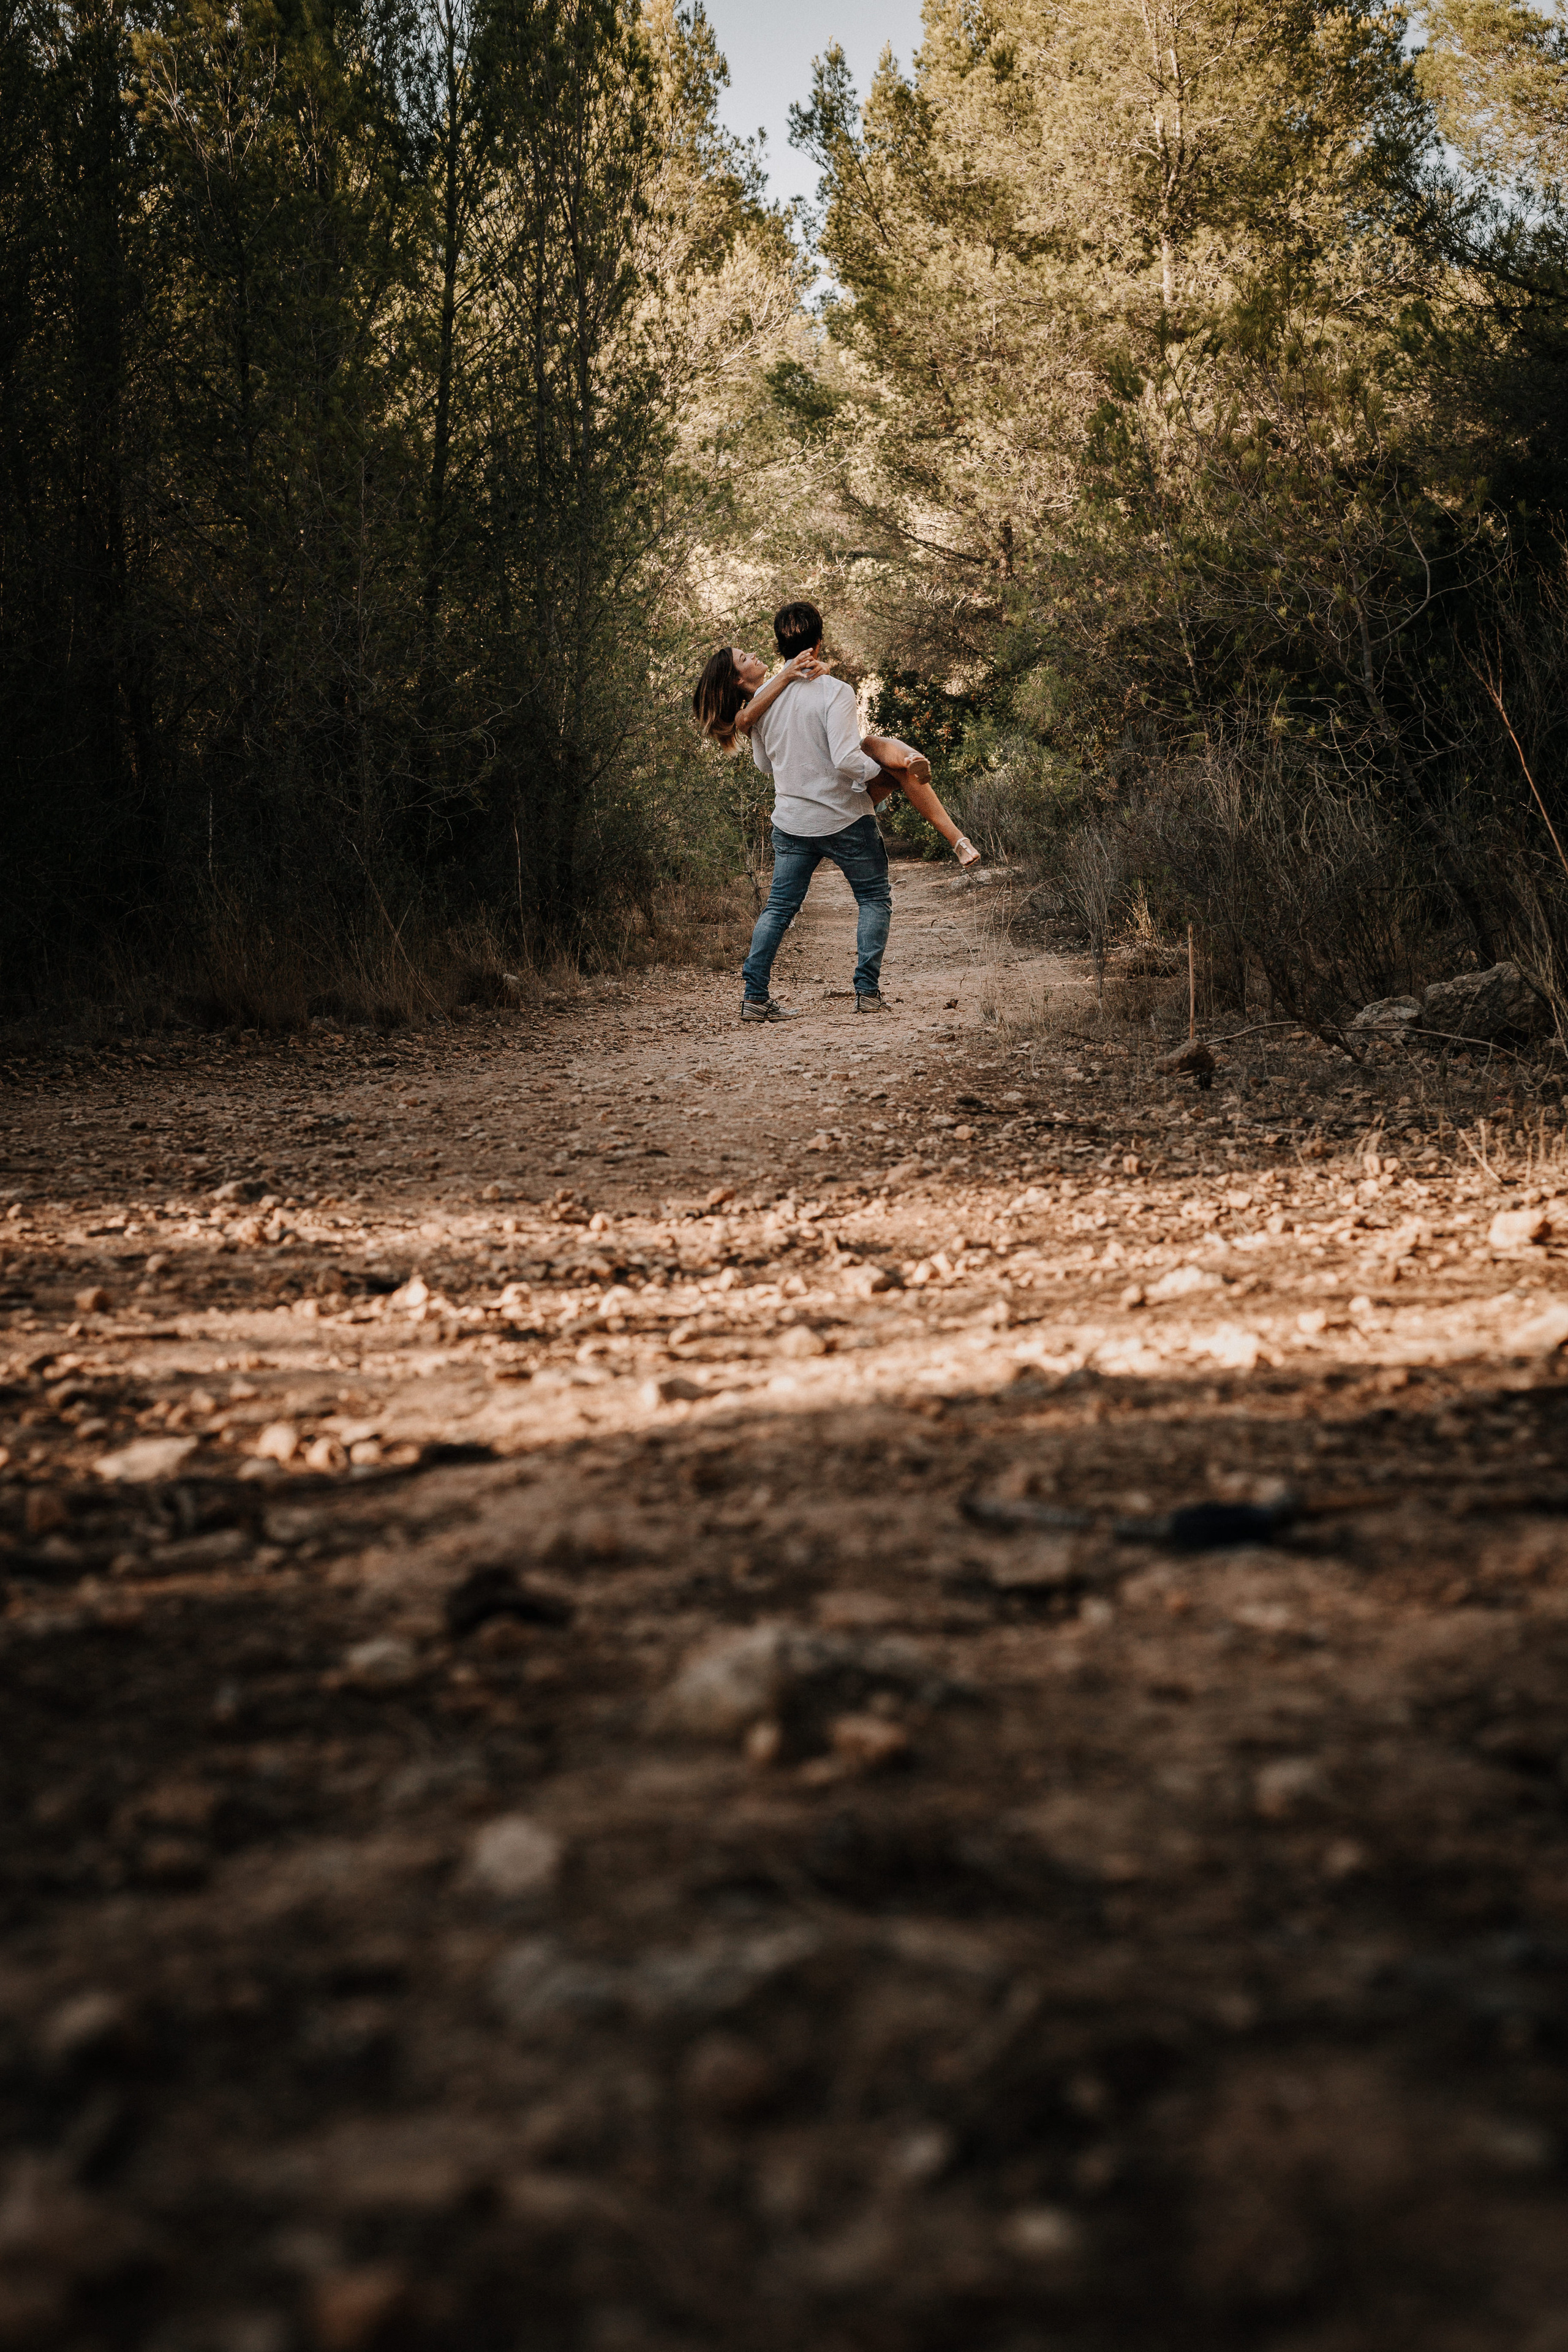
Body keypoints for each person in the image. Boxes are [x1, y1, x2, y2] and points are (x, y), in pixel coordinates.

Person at [690, 604, 978, 1025]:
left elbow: (765, 766)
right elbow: (846, 759)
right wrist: (882, 777)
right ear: (819, 640)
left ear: (779, 645)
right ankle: (867, 993)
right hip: (846, 819)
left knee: (778, 910)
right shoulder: (835, 691)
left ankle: (755, 997)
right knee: (874, 899)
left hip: (792, 823)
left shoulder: (762, 701)